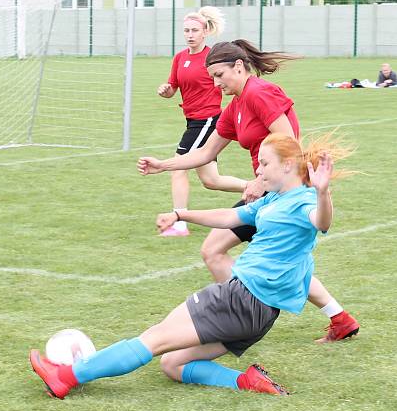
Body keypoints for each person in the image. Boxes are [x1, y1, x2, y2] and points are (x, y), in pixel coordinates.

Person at [30, 132, 353, 399]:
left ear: (288, 165)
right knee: (173, 364)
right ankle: (247, 381)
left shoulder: (304, 202)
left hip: (244, 298)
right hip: (258, 314)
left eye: (264, 164)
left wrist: (324, 193)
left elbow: (321, 222)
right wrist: (181, 214)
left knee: (154, 338)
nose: (258, 172)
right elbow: (230, 217)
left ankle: (67, 376)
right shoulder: (273, 200)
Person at [138, 40, 359, 343]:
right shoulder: (237, 105)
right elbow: (206, 152)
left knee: (213, 250)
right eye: (212, 77)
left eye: (220, 75)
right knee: (289, 262)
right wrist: (163, 164)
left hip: (278, 191)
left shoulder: (258, 92)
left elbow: (289, 139)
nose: (216, 84)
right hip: (269, 190)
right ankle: (340, 319)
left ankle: (240, 319)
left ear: (238, 67)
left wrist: (259, 183)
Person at [156, 7, 247, 236]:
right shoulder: (180, 58)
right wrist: (165, 91)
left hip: (207, 120)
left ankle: (179, 223)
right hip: (192, 121)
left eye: (194, 30)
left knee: (178, 168)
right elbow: (173, 90)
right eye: (186, 30)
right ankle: (257, 188)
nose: (190, 34)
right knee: (211, 180)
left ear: (205, 31)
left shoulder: (211, 58)